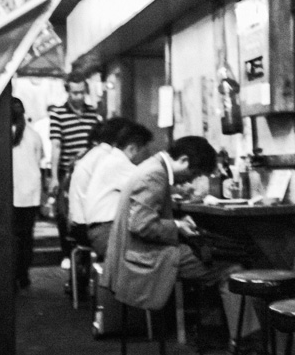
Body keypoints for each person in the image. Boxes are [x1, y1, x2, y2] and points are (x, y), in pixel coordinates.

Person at [102, 136, 245, 334]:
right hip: (143, 259)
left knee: (212, 257)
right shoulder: (154, 175)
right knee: (230, 268)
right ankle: (244, 341)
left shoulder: (151, 166)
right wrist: (176, 226)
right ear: (184, 160)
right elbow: (141, 225)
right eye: (193, 173)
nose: (191, 180)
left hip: (135, 252)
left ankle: (218, 331)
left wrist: (177, 223)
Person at [74, 121, 153, 259]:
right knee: (165, 254)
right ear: (133, 149)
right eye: (145, 150)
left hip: (102, 230)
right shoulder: (117, 163)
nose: (149, 155)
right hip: (107, 232)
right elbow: (150, 183)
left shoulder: (111, 159)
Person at [49, 71, 102, 269]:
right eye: (74, 93)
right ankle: (67, 253)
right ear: (67, 91)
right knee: (65, 214)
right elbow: (56, 145)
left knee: (87, 211)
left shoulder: (93, 113)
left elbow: (98, 142)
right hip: (67, 172)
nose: (78, 97)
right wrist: (54, 177)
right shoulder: (58, 114)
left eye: (81, 93)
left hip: (89, 172)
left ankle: (85, 255)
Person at [68, 116, 133, 242]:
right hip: (86, 226)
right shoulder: (107, 157)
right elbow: (138, 181)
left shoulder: (97, 153)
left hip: (79, 223)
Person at [11, 97, 44, 289]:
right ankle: (23, 275)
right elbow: (38, 162)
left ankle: (11, 274)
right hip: (30, 195)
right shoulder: (34, 135)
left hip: (11, 194)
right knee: (26, 238)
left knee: (12, 237)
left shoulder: (2, 135)